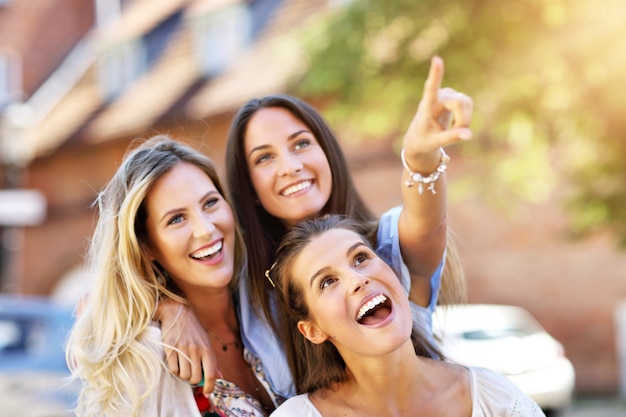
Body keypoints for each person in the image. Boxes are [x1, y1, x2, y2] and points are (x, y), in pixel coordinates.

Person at [158, 56, 472, 398]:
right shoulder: (247, 284)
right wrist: (169, 308)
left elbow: (426, 225)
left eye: (301, 144)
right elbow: (101, 303)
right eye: (265, 158)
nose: (290, 166)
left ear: (327, 152)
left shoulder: (383, 249)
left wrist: (419, 158)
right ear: (250, 189)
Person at [65, 136, 282, 416]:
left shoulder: (271, 301)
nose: (205, 229)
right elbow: (99, 303)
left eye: (210, 203)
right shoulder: (147, 356)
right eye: (176, 219)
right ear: (146, 246)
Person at [268, 214, 546, 417]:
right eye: (327, 282)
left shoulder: (493, 398)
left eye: (361, 258)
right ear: (312, 330)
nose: (357, 279)